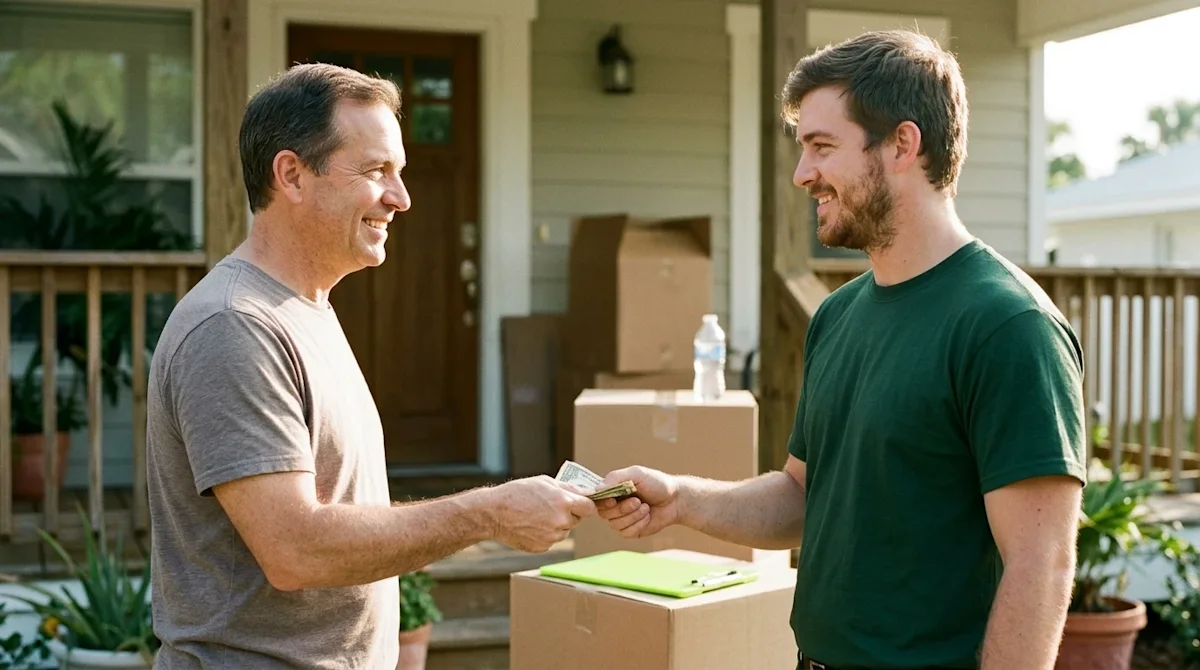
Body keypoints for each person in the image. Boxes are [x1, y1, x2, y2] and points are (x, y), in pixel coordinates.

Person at [596, 30, 1086, 670]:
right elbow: (804, 496)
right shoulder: (837, 315)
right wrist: (681, 500)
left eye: (822, 147)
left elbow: (1040, 564)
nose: (803, 174)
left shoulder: (1007, 326)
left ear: (903, 145)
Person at [145, 63, 595, 669]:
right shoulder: (235, 326)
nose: (401, 198)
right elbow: (295, 550)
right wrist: (489, 512)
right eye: (376, 170)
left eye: (400, 172)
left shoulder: (307, 308)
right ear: (291, 175)